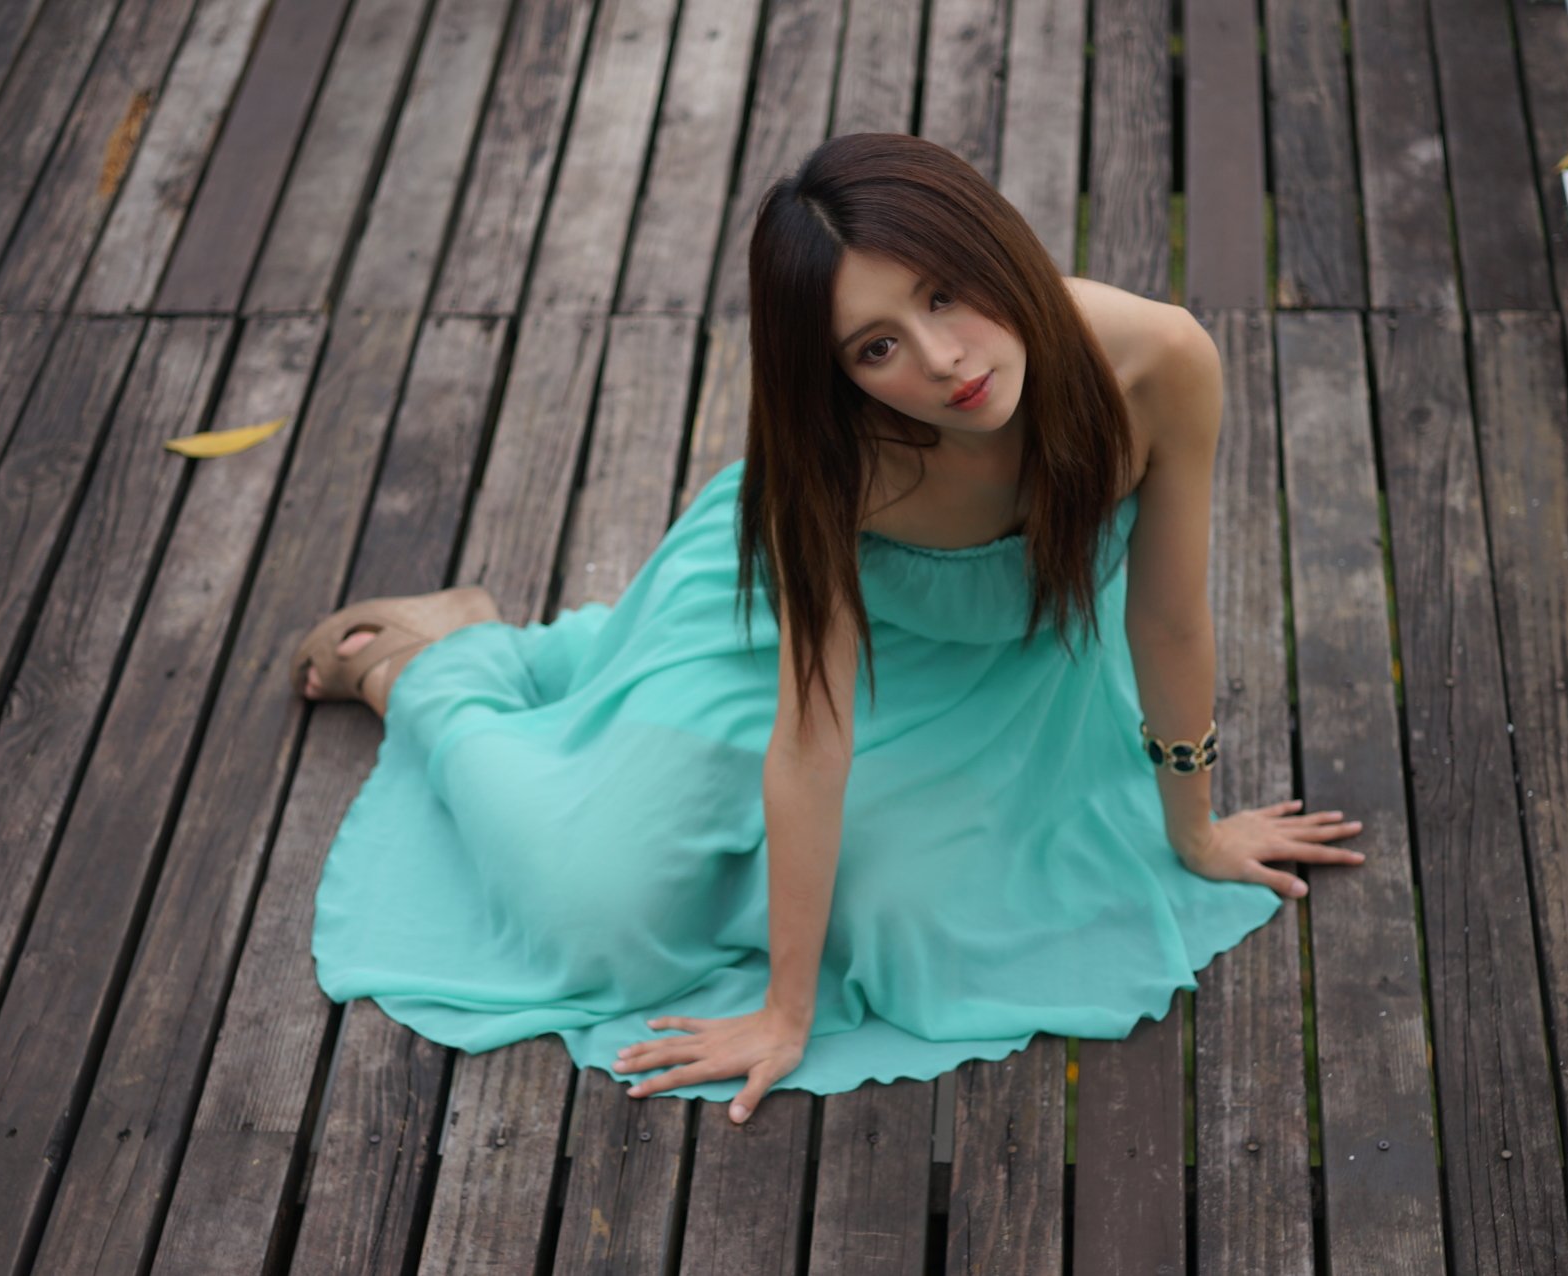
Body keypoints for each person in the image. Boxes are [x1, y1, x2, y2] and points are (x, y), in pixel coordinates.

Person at [296, 132, 1366, 1127]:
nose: (946, 361)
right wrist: (784, 1012)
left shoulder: (1155, 359)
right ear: (839, 373)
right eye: (878, 346)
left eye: (947, 293)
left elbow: (1169, 618)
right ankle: (440, 665)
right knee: (599, 923)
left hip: (998, 670)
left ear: (996, 242)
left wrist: (1195, 829)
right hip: (761, 630)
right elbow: (812, 742)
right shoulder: (840, 463)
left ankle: (564, 662)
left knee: (914, 926)